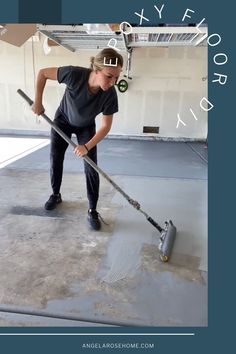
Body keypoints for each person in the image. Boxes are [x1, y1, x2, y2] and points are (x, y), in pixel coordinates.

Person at [32, 48, 123, 231]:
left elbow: (106, 126)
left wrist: (87, 146)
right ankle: (55, 194)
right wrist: (38, 101)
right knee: (55, 158)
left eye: (117, 78)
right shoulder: (74, 74)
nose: (113, 82)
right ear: (96, 70)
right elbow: (43, 74)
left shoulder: (110, 94)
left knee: (91, 166)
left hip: (86, 127)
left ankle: (92, 210)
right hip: (63, 120)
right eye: (109, 76)